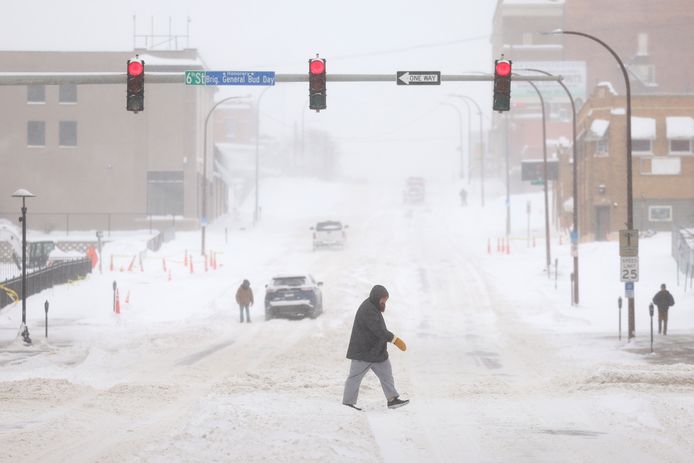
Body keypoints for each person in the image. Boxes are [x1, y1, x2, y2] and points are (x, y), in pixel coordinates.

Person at [343, 285, 409, 411]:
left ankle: (392, 400)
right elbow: (379, 330)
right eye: (383, 300)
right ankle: (347, 404)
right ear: (376, 297)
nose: (384, 303)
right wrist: (395, 340)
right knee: (354, 377)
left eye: (386, 300)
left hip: (376, 352)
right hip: (363, 352)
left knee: (387, 375)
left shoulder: (373, 306)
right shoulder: (368, 310)